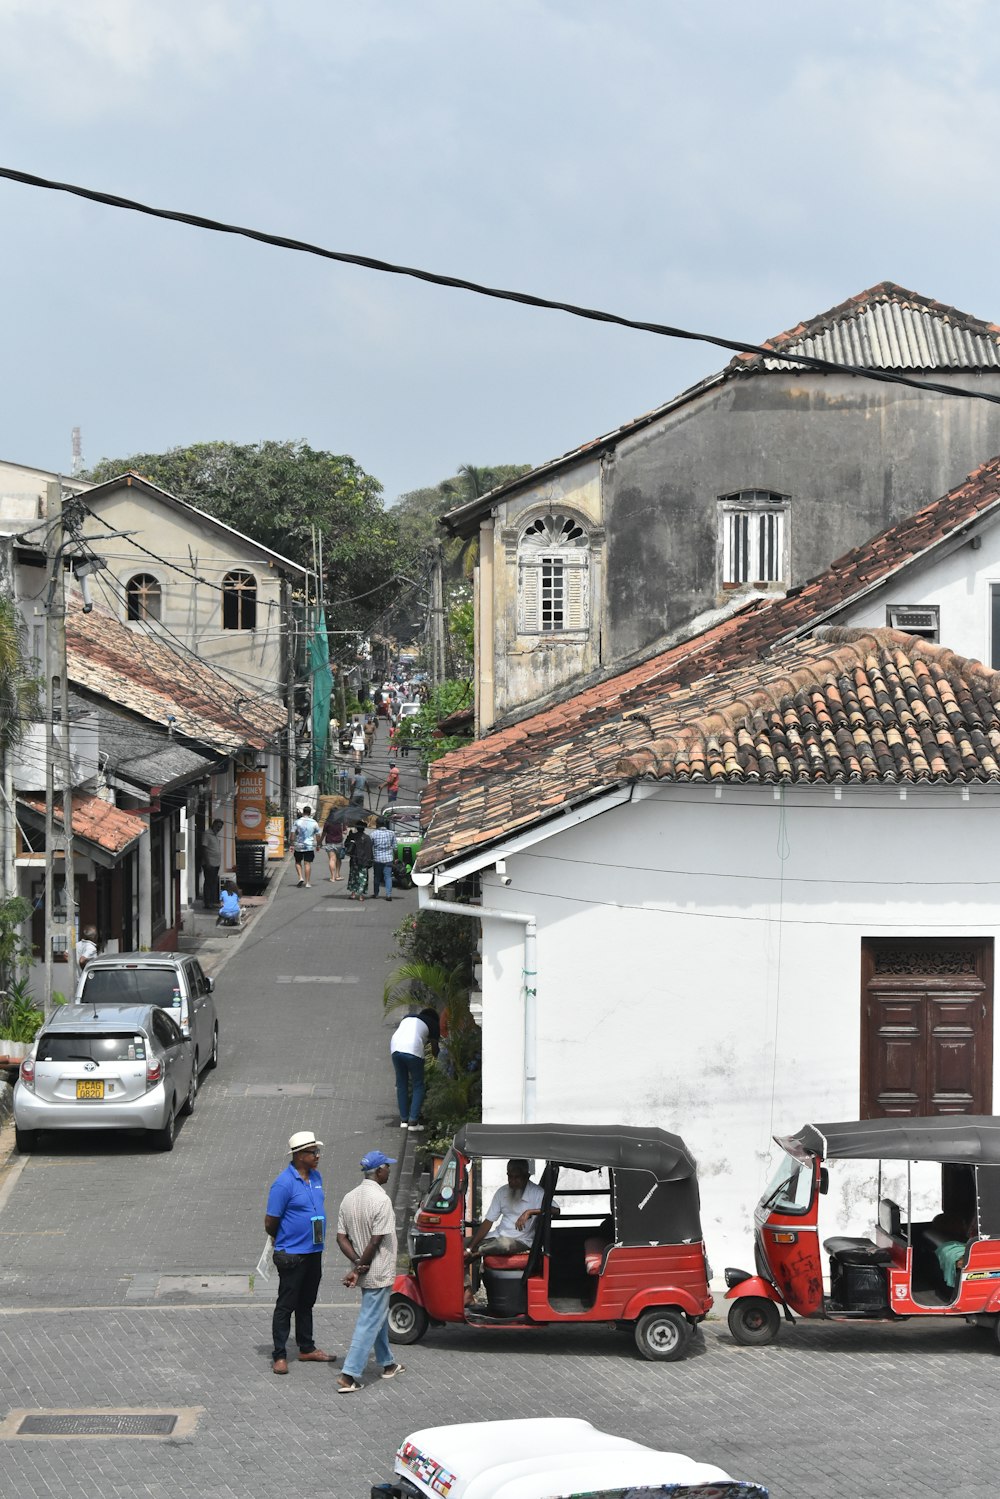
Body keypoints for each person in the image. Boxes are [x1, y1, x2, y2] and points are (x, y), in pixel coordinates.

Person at [264, 1130, 336, 1376]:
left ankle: (306, 1347)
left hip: (313, 1250)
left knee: (307, 1302)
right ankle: (280, 1354)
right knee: (286, 1305)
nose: (317, 1156)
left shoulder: (316, 1177)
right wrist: (283, 1238)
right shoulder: (283, 1183)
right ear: (299, 1155)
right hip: (292, 1253)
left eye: (317, 1151)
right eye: (313, 1152)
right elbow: (270, 1222)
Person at [335, 1150, 402, 1392]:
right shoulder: (381, 1201)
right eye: (387, 1167)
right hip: (378, 1270)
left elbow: (341, 1237)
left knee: (378, 1315)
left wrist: (356, 1263)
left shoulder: (348, 1198)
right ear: (379, 1171)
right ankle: (349, 1374)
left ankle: (387, 1363)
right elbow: (375, 1241)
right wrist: (362, 1266)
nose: (390, 1171)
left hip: (364, 1268)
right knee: (369, 1319)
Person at [465, 1159, 547, 1262]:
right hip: (498, 1236)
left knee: (503, 1245)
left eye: (517, 1177)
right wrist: (469, 1248)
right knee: (461, 1244)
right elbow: (488, 1221)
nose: (512, 1181)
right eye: (510, 1177)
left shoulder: (537, 1193)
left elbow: (556, 1210)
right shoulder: (502, 1192)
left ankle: (478, 1253)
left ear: (527, 1176)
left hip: (520, 1240)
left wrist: (530, 1212)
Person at [390, 1007, 439, 1129]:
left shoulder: (408, 1018)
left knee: (402, 1083)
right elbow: (434, 1049)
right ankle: (413, 1121)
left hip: (395, 1047)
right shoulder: (433, 1023)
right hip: (413, 1048)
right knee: (418, 1084)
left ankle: (404, 1120)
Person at [292, 805, 321, 888]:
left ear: (303, 812)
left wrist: (291, 843)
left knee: (298, 862)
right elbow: (318, 835)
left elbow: (292, 834)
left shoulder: (297, 822)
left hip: (299, 845)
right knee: (307, 863)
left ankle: (300, 877)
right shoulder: (314, 822)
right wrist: (318, 844)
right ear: (310, 813)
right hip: (309, 846)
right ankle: (308, 882)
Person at [370, 816, 398, 901]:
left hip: (377, 859)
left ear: (377, 824)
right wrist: (395, 858)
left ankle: (376, 894)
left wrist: (371, 857)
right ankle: (388, 895)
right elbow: (395, 848)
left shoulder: (373, 834)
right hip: (388, 859)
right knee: (388, 877)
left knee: (377, 877)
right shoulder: (391, 833)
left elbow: (370, 847)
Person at [344, 822, 373, 902]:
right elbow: (369, 851)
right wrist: (370, 862)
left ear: (356, 828)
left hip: (354, 860)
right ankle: (361, 895)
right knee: (362, 878)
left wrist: (349, 836)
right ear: (364, 828)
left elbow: (346, 845)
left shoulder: (353, 836)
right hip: (363, 861)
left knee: (353, 876)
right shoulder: (367, 838)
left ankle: (353, 894)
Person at [201, 818, 223, 909]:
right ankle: (207, 902)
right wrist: (208, 862)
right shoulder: (207, 834)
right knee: (209, 883)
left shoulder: (215, 835)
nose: (219, 829)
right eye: (218, 826)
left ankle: (212, 902)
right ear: (213, 825)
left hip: (216, 864)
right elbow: (204, 849)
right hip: (209, 864)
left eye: (220, 827)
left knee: (213, 883)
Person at [322, 807, 346, 881]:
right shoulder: (341, 822)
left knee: (332, 859)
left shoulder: (327, 822)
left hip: (329, 842)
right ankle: (337, 875)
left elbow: (324, 833)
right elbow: (345, 832)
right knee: (338, 859)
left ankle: (332, 877)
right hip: (339, 843)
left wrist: (319, 842)